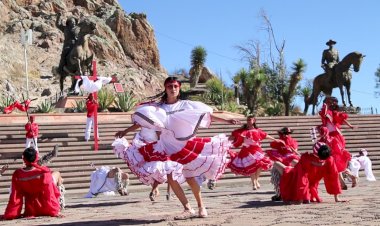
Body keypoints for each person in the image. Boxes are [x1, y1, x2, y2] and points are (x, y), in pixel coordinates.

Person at [115, 77, 239, 219]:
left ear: (179, 88)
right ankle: (187, 208)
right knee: (171, 175)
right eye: (169, 86)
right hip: (166, 146)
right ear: (165, 88)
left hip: (185, 145)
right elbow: (144, 122)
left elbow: (208, 115)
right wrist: (125, 131)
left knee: (190, 177)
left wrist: (226, 120)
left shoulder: (187, 104)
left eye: (175, 86)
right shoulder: (159, 107)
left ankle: (201, 206)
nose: (172, 89)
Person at [113, 127, 185, 202]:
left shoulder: (146, 120)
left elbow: (137, 125)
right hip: (156, 148)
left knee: (158, 169)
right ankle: (167, 192)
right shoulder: (157, 122)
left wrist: (125, 131)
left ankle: (156, 190)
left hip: (146, 147)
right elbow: (159, 134)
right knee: (168, 169)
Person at [3, 147, 65, 220]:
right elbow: (49, 192)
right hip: (45, 206)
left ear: (24, 159)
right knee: (57, 174)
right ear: (36, 157)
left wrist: (11, 213)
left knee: (55, 176)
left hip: (30, 209)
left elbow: (15, 196)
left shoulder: (17, 174)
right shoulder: (43, 171)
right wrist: (54, 211)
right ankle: (61, 201)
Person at [271, 142, 343, 204]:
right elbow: (334, 178)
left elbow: (301, 179)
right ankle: (280, 194)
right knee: (292, 162)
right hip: (308, 180)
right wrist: (337, 198)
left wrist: (300, 199)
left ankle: (279, 193)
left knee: (276, 163)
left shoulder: (306, 158)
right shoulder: (329, 160)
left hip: (294, 179)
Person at [228, 116, 274, 190]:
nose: (248, 121)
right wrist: (225, 140)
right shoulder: (242, 130)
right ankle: (254, 183)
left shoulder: (257, 130)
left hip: (257, 149)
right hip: (247, 150)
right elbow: (233, 136)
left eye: (250, 120)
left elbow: (265, 135)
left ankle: (257, 180)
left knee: (259, 166)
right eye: (247, 120)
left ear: (254, 120)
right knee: (251, 167)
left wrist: (275, 139)